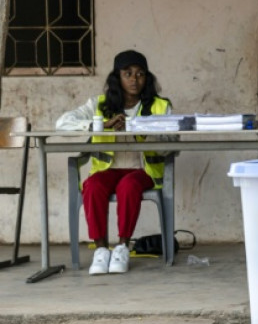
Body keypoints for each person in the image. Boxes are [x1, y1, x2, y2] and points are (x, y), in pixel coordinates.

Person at [56, 50, 172, 275]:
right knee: (93, 186)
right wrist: (101, 125)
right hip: (108, 170)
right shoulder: (98, 104)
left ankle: (122, 246)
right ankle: (101, 249)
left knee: (128, 185)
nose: (134, 79)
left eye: (140, 74)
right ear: (117, 77)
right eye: (127, 73)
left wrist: (145, 129)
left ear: (147, 78)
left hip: (143, 171)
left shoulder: (160, 106)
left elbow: (172, 143)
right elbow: (62, 123)